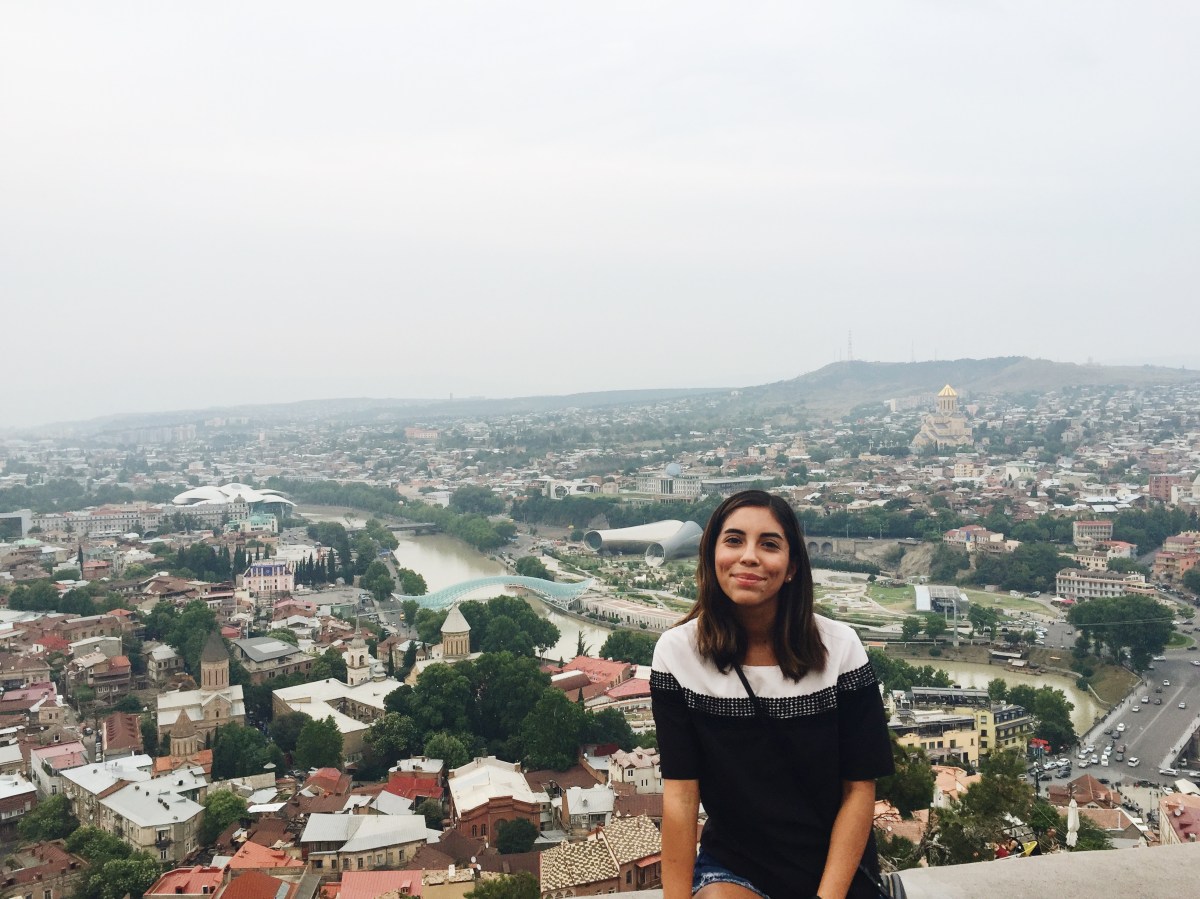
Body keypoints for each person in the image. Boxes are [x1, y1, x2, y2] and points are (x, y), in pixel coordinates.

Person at [652, 490, 895, 899]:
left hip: (832, 863)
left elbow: (859, 789)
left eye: (768, 544)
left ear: (792, 567)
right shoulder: (678, 654)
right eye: (734, 540)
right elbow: (681, 796)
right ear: (712, 556)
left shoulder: (840, 649)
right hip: (736, 864)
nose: (749, 557)